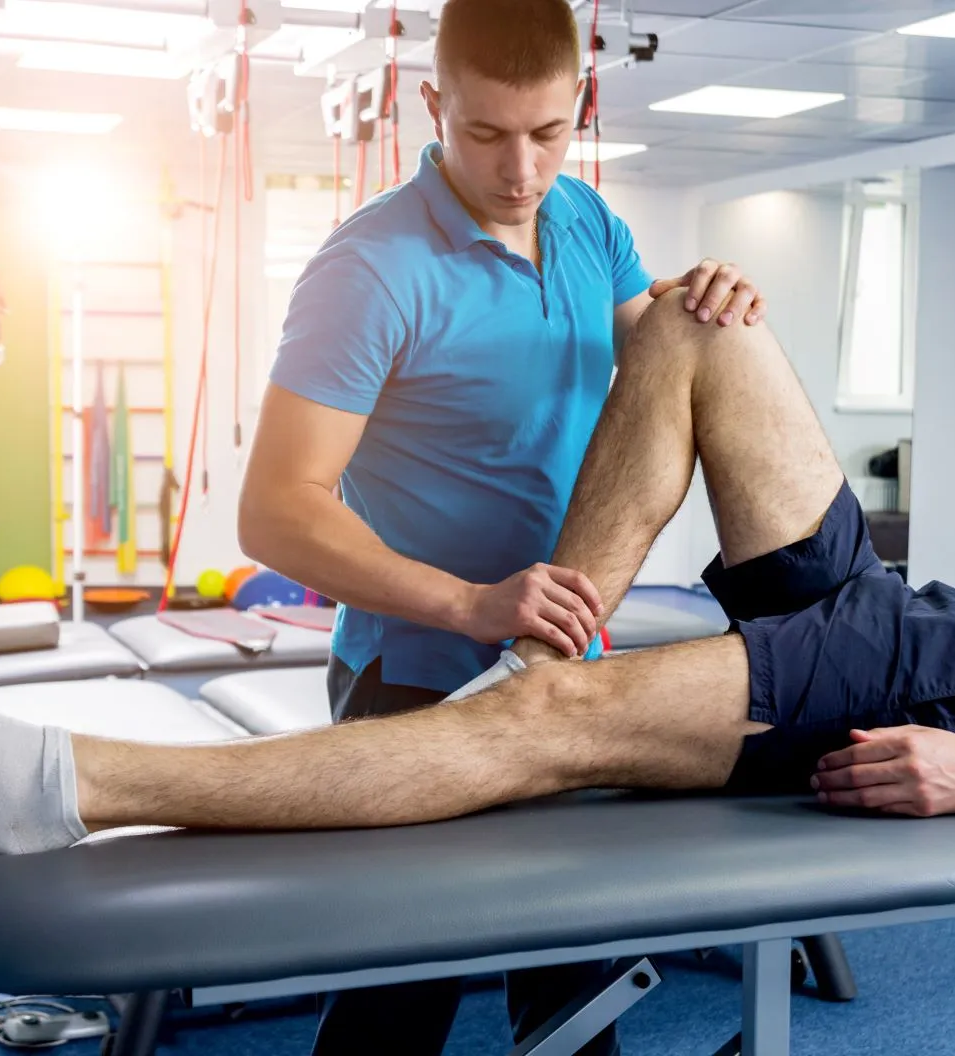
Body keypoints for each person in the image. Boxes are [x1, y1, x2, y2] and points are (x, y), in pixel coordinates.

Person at [0, 284, 955, 873]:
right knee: (689, 326)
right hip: (933, 620)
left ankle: (70, 787)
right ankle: (524, 667)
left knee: (551, 736)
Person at [235, 0, 765, 1048]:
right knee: (401, 986)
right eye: (483, 134)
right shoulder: (369, 269)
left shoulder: (589, 226)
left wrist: (702, 301)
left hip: (563, 665)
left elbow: (646, 378)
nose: (519, 169)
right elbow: (275, 513)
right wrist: (472, 601)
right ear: (433, 106)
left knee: (576, 973)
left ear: (580, 104)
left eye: (547, 133)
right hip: (412, 676)